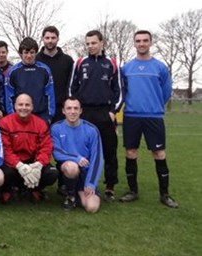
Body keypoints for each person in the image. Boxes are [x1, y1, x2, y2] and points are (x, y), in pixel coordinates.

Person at [119, 30, 178, 208]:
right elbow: (123, 92)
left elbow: (166, 92)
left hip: (154, 117)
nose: (142, 44)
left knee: (159, 154)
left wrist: (154, 106)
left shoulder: (160, 67)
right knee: (130, 153)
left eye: (145, 40)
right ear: (134, 43)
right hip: (131, 117)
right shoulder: (126, 69)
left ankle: (164, 194)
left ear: (150, 43)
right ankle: (133, 191)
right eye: (138, 41)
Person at [69, 30, 123, 202]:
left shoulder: (112, 63)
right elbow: (71, 89)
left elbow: (119, 90)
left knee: (109, 151)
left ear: (102, 43)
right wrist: (76, 109)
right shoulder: (80, 63)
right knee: (83, 151)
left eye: (94, 43)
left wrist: (113, 111)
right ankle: (82, 184)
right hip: (85, 113)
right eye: (88, 43)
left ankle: (110, 187)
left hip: (105, 113)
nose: (90, 46)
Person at [0, 94, 57, 202]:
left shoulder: (40, 124)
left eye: (27, 105)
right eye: (20, 104)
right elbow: (5, 150)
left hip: (32, 161)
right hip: (13, 163)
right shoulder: (4, 123)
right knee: (4, 173)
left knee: (52, 173)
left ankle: (35, 188)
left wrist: (38, 164)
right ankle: (8, 189)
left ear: (32, 107)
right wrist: (19, 166)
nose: (24, 108)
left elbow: (46, 147)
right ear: (15, 106)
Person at [51, 97, 103, 213]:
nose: (72, 111)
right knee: (71, 167)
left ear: (81, 111)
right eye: (69, 108)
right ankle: (71, 196)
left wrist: (91, 183)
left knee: (91, 208)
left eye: (76, 108)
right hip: (69, 169)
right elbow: (56, 152)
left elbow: (97, 159)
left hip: (85, 173)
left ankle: (79, 192)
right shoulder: (56, 128)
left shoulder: (91, 130)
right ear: (63, 111)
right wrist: (76, 158)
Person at [4, 37, 55, 123]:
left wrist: (50, 116)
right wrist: (12, 116)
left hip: (41, 116)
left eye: (32, 52)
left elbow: (50, 95)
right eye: (26, 52)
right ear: (21, 53)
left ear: (36, 53)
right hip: (20, 116)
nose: (29, 56)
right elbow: (9, 97)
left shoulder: (44, 69)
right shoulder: (12, 71)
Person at [36, 25, 75, 124]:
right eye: (47, 38)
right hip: (41, 110)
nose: (50, 41)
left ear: (58, 39)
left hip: (61, 109)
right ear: (42, 39)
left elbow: (72, 85)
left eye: (53, 38)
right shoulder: (36, 60)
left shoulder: (67, 61)